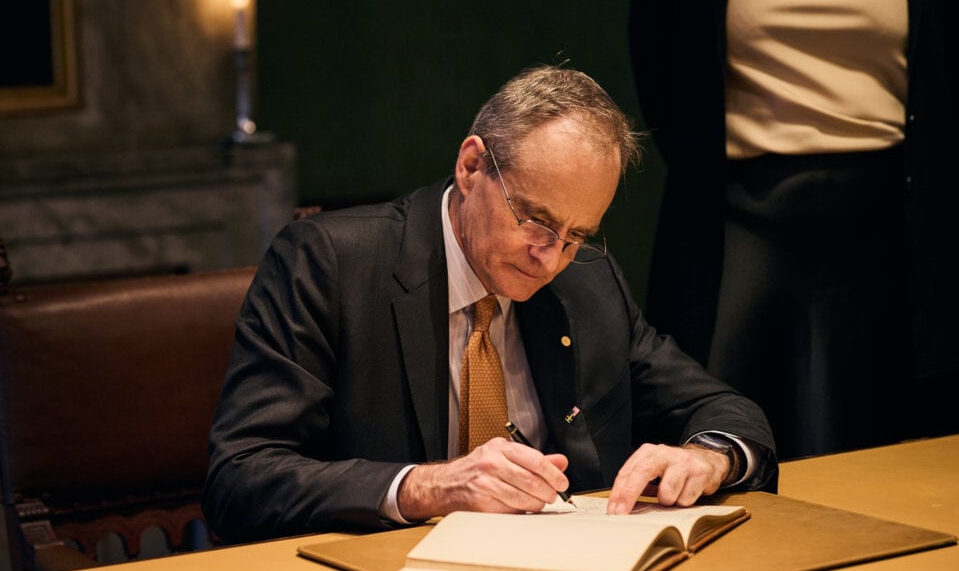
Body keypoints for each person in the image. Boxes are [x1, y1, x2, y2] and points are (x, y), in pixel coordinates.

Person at [204, 65, 778, 543]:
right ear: (472, 165)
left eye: (577, 234)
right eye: (535, 219)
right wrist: (429, 487)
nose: (550, 257)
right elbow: (241, 479)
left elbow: (725, 410)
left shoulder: (588, 281)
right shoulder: (329, 264)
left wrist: (711, 457)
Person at [629, 0, 959, 459]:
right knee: (712, 424)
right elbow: (660, 65)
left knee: (890, 444)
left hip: (891, 218)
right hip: (742, 213)